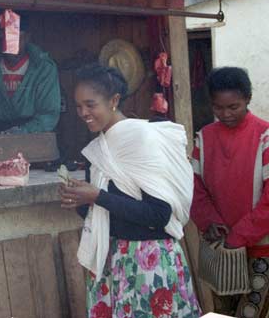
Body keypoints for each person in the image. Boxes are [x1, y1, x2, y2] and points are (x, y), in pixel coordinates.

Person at [60, 63, 201, 318]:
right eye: (78, 106)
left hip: (149, 262)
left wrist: (98, 196)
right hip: (114, 260)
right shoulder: (99, 149)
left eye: (90, 105)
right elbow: (109, 214)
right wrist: (82, 202)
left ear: (114, 100)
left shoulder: (140, 140)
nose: (83, 112)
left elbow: (159, 214)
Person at [190, 67, 269, 317]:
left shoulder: (265, 136)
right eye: (218, 107)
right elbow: (194, 188)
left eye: (233, 107)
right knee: (223, 313)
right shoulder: (204, 138)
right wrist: (208, 221)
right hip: (220, 245)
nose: (225, 114)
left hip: (261, 247)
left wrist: (240, 234)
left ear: (247, 98)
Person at [0, 27, 61, 134]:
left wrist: (22, 131)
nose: (11, 46)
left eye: (16, 38)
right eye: (6, 39)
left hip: (34, 137)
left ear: (27, 37)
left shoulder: (43, 67)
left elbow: (49, 115)